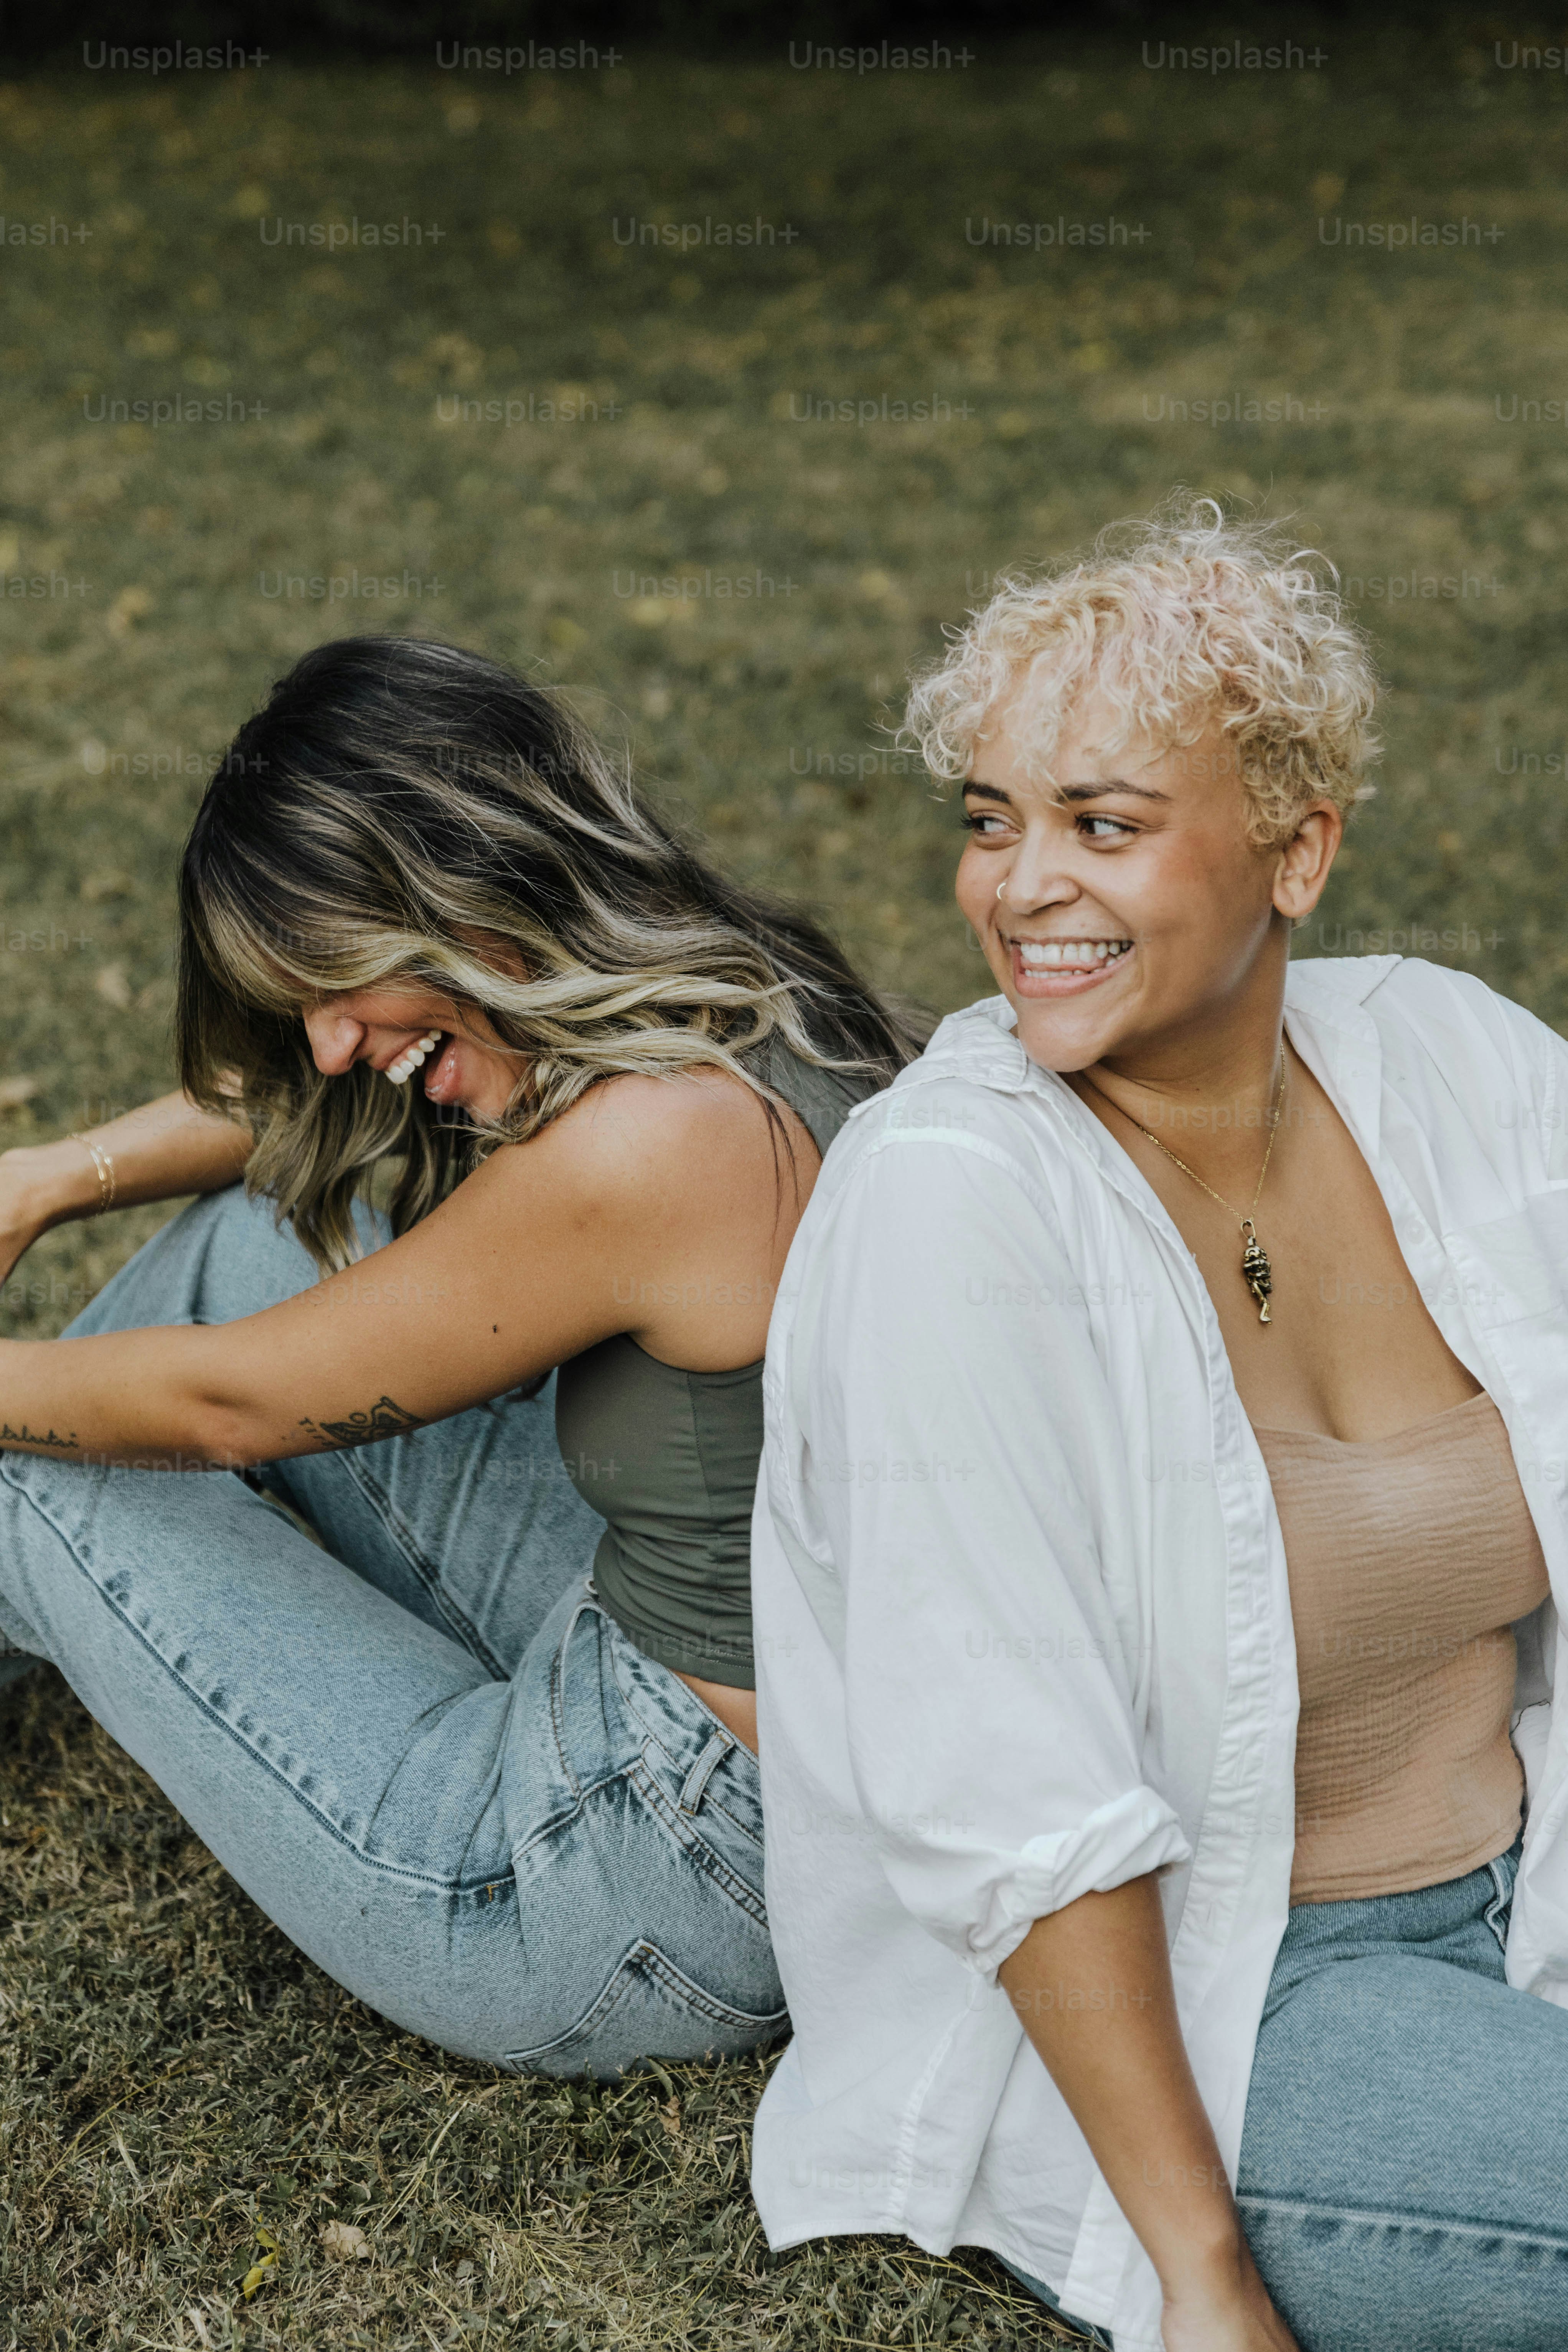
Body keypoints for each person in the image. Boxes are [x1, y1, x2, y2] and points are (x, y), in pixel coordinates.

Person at [747, 501, 1568, 2352]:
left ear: (1297, 852)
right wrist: (1199, 2275)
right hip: (1247, 2002)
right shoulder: (952, 1199)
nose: (1019, 888)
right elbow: (1005, 1796)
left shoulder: (1449, 1061)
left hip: (1525, 1881)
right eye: (990, 822)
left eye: (1101, 826)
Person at [0, 633, 918, 2077]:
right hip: (738, 1705)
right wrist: (51, 1175)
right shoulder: (732, 989)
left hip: (646, 1879)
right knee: (258, 1242)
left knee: (41, 1472)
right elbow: (311, 1110)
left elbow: (229, 1405)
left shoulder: (650, 1147)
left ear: (459, 878)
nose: (327, 1042)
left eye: (337, 978)